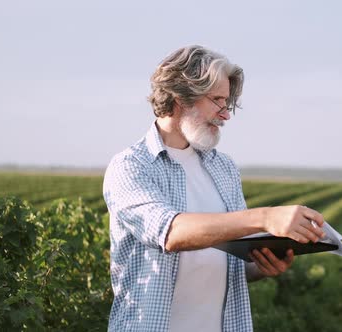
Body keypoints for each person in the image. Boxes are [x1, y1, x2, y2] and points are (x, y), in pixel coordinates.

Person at [103, 45, 326, 332]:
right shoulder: (131, 167)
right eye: (218, 101)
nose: (226, 115)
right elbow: (171, 233)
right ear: (182, 96)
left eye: (227, 103)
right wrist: (265, 217)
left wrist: (260, 265)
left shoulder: (224, 168)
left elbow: (225, 258)